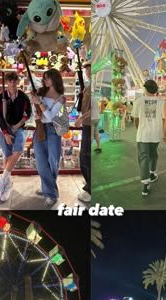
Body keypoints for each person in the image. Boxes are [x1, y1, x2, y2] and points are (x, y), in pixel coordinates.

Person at [30, 69, 66, 209]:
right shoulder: (41, 92)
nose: (44, 80)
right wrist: (37, 109)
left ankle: (49, 191)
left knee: (53, 162)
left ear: (55, 79)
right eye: (44, 78)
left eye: (47, 78)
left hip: (53, 130)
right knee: (40, 162)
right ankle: (49, 190)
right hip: (39, 129)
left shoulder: (60, 98)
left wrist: (39, 103)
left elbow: (51, 116)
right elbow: (36, 110)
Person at [0, 71, 32, 201]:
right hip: (5, 129)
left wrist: (18, 125)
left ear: (18, 81)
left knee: (18, 150)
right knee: (7, 154)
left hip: (20, 128)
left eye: (14, 81)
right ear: (7, 82)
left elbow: (28, 113)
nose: (12, 83)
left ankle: (3, 177)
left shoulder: (23, 96)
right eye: (10, 81)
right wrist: (5, 134)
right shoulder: (0, 98)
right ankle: (7, 184)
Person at [132, 80, 165, 196]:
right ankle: (152, 172)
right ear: (156, 90)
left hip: (143, 134)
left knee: (143, 157)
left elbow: (135, 119)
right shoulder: (162, 102)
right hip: (156, 133)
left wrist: (139, 128)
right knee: (154, 154)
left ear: (145, 89)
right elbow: (164, 119)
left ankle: (145, 184)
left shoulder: (138, 102)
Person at [75, 61, 91, 203]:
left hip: (89, 125)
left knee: (86, 158)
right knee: (85, 156)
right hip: (87, 125)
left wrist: (82, 118)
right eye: (86, 69)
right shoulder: (88, 87)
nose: (87, 71)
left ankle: (90, 189)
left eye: (89, 69)